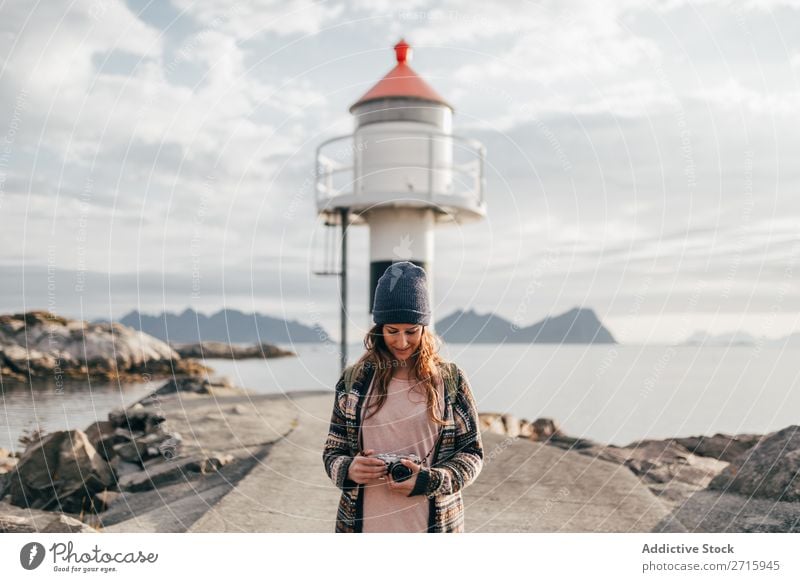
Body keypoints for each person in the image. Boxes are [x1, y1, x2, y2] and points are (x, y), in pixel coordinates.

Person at [322, 261, 483, 532]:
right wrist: (348, 469)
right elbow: (332, 452)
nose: (402, 342)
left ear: (424, 328)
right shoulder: (354, 381)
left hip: (433, 526)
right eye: (392, 331)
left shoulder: (451, 380)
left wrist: (431, 481)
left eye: (411, 331)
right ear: (379, 329)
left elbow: (472, 454)